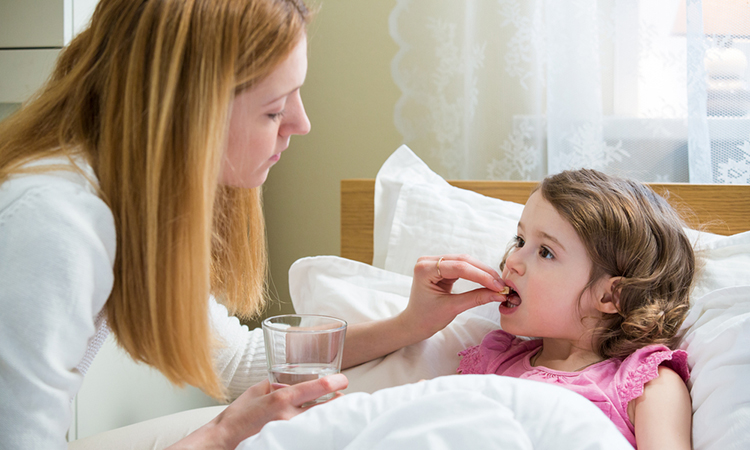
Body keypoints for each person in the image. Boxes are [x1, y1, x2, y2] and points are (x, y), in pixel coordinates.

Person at [0, 0, 507, 449]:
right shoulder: (54, 224)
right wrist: (218, 437)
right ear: (186, 112)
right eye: (272, 109)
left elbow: (239, 363)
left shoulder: (126, 200)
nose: (301, 123)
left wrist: (409, 326)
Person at [455, 169, 694, 449]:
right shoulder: (492, 363)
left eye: (546, 252)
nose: (513, 260)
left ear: (610, 296)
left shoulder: (645, 386)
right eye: (520, 241)